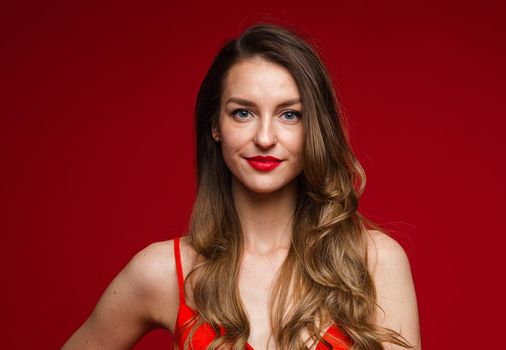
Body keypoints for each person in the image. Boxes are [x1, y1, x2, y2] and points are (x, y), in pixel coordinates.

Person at [63, 23, 421, 350]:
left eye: (290, 114)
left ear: (314, 128)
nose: (264, 138)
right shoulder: (165, 272)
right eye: (243, 113)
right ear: (215, 126)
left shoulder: (374, 263)